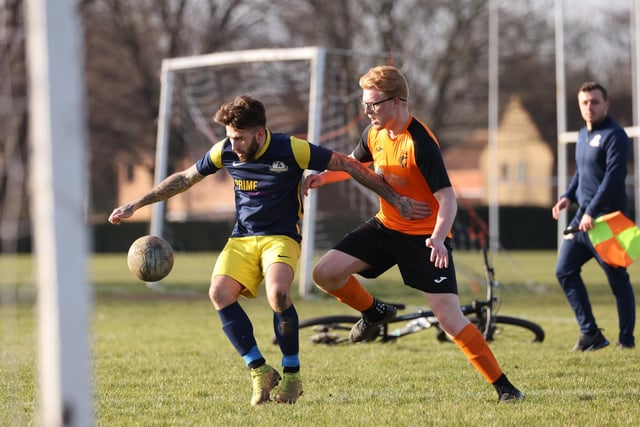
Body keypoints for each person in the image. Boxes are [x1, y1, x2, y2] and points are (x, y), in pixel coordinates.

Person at [108, 95, 429, 406]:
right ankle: (259, 370)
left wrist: (395, 199)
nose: (233, 145)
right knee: (219, 293)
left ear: (260, 133)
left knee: (278, 294)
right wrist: (137, 203)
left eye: (240, 138)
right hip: (242, 239)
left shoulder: (291, 148)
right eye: (230, 137)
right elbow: (184, 178)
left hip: (281, 238)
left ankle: (292, 375)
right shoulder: (225, 151)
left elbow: (348, 164)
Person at [304, 65, 524, 402]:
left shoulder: (420, 141)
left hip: (424, 237)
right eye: (364, 104)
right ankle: (374, 312)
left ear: (397, 102)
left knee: (450, 320)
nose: (367, 112)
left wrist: (438, 238)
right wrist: (321, 177)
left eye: (373, 104)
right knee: (325, 273)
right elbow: (352, 164)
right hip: (386, 226)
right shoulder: (373, 134)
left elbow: (447, 199)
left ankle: (505, 387)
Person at [552, 82, 636, 351]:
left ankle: (626, 341)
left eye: (595, 102)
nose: (589, 107)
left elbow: (612, 179)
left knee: (618, 282)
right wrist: (567, 196)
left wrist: (590, 211)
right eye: (584, 102)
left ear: (606, 104)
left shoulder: (616, 135)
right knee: (564, 271)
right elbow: (580, 172)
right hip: (582, 222)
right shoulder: (581, 134)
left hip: (608, 222)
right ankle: (591, 334)